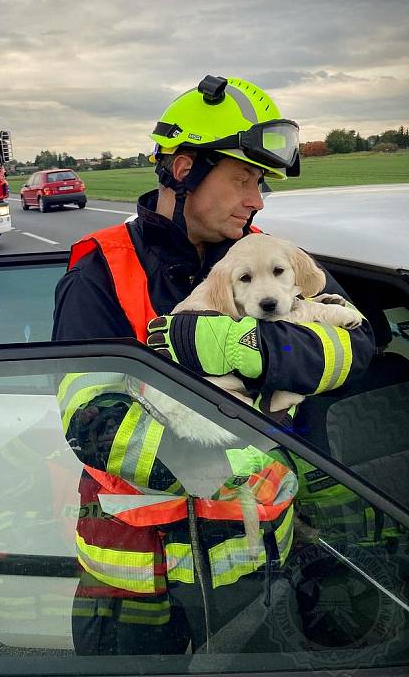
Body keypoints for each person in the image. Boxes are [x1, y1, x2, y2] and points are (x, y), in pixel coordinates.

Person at [52, 74, 375, 655]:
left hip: (256, 565)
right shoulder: (102, 272)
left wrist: (260, 349)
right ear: (184, 170)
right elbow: (90, 417)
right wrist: (218, 452)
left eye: (261, 186)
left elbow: (359, 345)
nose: (256, 200)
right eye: (243, 179)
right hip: (137, 582)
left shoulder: (265, 257)